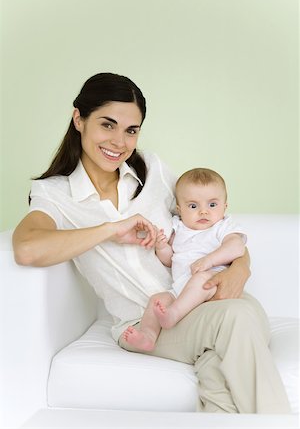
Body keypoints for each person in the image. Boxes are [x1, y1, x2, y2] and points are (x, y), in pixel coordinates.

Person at [12, 72, 291, 414]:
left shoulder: (153, 170)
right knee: (237, 320)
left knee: (221, 371)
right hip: (151, 326)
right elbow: (27, 248)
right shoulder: (54, 194)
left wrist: (241, 269)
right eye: (107, 124)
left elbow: (210, 225)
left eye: (131, 130)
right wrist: (111, 229)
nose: (119, 142)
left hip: (209, 302)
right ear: (79, 119)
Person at [122, 168, 247, 351]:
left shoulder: (223, 226)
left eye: (212, 205)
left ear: (225, 206)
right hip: (180, 288)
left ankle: (173, 315)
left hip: (213, 283)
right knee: (158, 299)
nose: (204, 212)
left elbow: (237, 247)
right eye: (193, 206)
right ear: (180, 210)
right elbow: (170, 261)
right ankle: (148, 336)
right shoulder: (178, 228)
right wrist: (162, 247)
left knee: (200, 279)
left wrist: (209, 261)